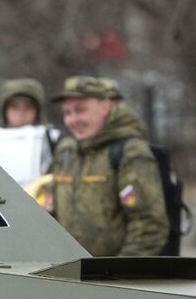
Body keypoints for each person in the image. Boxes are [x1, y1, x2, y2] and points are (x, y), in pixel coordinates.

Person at [48, 75, 168, 257]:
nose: (72, 120)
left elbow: (149, 225)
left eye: (80, 110)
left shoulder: (130, 151)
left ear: (104, 107)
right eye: (67, 113)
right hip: (65, 274)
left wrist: (117, 275)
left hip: (110, 279)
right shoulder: (66, 151)